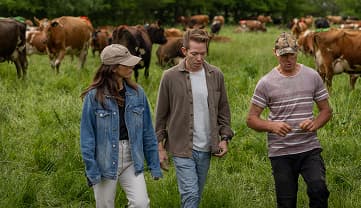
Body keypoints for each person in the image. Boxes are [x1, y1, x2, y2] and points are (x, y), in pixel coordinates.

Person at [246, 32, 332, 208]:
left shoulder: (312, 76)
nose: (288, 59)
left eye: (291, 54)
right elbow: (251, 119)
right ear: (275, 53)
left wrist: (315, 123)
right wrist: (272, 126)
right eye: (283, 55)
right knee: (286, 202)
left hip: (309, 148)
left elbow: (326, 111)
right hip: (281, 152)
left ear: (297, 52)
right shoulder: (266, 83)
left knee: (319, 190)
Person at [155, 29, 234, 208]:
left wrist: (225, 139)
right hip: (181, 146)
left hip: (207, 146)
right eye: (194, 54)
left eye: (203, 53)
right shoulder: (169, 77)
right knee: (190, 193)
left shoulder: (216, 75)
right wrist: (160, 148)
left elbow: (223, 110)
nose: (199, 58)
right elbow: (160, 116)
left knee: (196, 194)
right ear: (184, 51)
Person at [80, 44, 162, 208]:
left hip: (132, 158)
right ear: (113, 68)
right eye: (127, 63)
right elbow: (87, 135)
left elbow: (147, 131)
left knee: (141, 204)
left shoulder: (138, 93)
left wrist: (154, 164)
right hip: (105, 159)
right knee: (105, 205)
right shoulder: (94, 96)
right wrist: (91, 167)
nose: (132, 66)